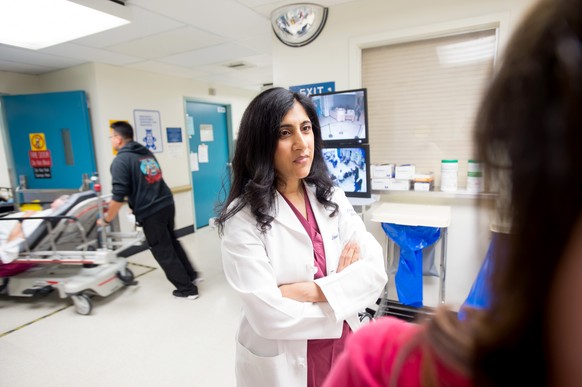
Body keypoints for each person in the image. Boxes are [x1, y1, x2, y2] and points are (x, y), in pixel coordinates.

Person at [322, 0, 582, 385]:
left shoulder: (387, 360)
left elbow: (373, 268)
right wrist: (327, 287)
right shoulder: (378, 362)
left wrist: (322, 288)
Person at [215, 87, 387, 387]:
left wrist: (310, 291)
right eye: (285, 132)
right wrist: (342, 294)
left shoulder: (330, 196)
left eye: (306, 128)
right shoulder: (241, 218)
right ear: (261, 143)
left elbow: (374, 273)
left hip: (342, 350)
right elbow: (269, 316)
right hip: (283, 365)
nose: (301, 143)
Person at [98, 121, 200, 300]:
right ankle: (191, 275)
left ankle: (187, 289)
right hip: (166, 203)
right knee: (171, 242)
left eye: (112, 136)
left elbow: (118, 196)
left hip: (151, 210)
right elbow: (147, 181)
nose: (111, 140)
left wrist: (106, 219)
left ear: (118, 138)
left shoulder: (121, 160)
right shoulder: (144, 153)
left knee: (162, 249)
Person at [0, 195, 70, 277]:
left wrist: (24, 217)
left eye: (54, 202)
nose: (52, 203)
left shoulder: (40, 220)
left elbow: (12, 242)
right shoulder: (49, 215)